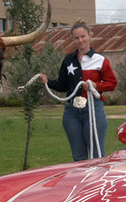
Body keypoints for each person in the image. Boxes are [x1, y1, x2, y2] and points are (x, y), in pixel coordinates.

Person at [40, 22, 117, 161]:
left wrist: (96, 85)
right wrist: (48, 81)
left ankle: (97, 182)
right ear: (72, 39)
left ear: (89, 36)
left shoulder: (100, 60)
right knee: (78, 157)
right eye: (76, 38)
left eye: (83, 36)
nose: (80, 40)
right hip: (72, 112)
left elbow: (112, 83)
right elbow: (63, 85)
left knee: (96, 156)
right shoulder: (68, 60)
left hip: (93, 109)